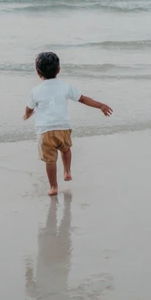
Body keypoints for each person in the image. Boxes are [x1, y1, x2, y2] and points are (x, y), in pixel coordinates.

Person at [23, 51, 113, 195]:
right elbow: (82, 99)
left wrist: (27, 115)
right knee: (66, 149)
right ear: (59, 69)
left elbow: (29, 108)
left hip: (44, 131)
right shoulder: (65, 86)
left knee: (50, 161)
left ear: (38, 73)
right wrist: (100, 105)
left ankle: (53, 187)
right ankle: (67, 171)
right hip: (63, 128)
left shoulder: (35, 91)